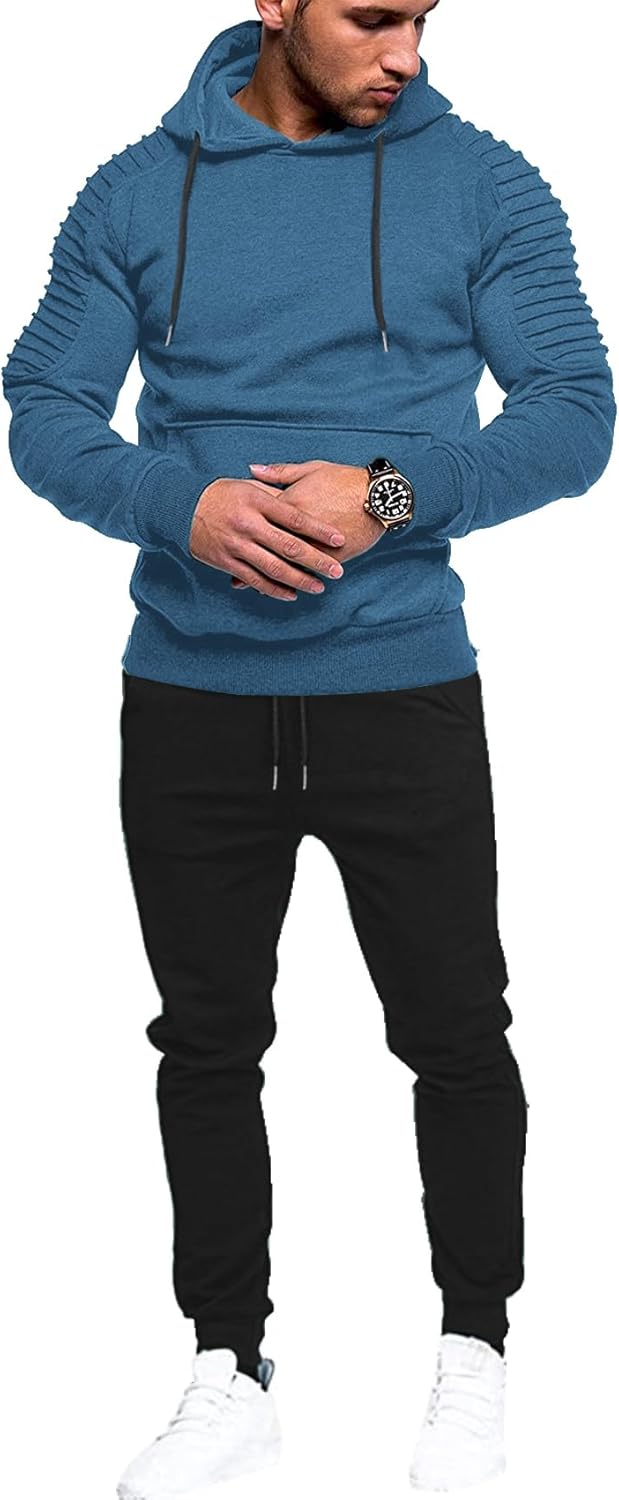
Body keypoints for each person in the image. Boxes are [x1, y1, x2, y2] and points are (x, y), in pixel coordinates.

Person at [2, 3, 615, 1496]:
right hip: (189, 698)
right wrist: (178, 506)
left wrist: (390, 493)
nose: (408, 51)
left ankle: (475, 1352)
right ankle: (230, 1368)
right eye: (374, 15)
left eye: (426, 15)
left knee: (456, 1030)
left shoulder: (484, 182)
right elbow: (45, 408)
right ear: (276, 1)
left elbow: (573, 416)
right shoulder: (137, 190)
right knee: (206, 1041)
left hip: (400, 686)